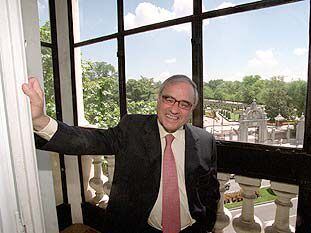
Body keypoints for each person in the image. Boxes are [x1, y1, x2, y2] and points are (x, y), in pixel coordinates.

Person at [22, 75, 220, 233]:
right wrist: (40, 120)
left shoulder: (204, 140)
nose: (175, 109)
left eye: (184, 104)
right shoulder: (132, 128)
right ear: (158, 99)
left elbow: (211, 191)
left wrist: (205, 226)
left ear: (192, 109)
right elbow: (89, 140)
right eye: (169, 99)